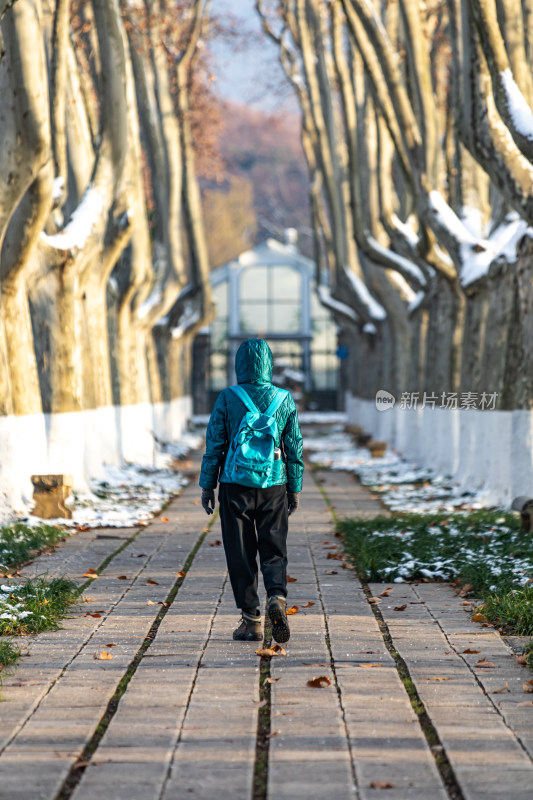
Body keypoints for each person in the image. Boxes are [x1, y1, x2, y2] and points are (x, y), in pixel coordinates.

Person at [199, 338, 304, 643]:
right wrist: (293, 488)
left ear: (238, 365)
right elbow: (294, 447)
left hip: (235, 485)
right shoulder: (284, 399)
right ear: (269, 364)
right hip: (274, 484)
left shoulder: (229, 397)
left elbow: (215, 444)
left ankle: (251, 620)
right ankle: (277, 597)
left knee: (240, 551)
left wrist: (208, 484)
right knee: (273, 546)